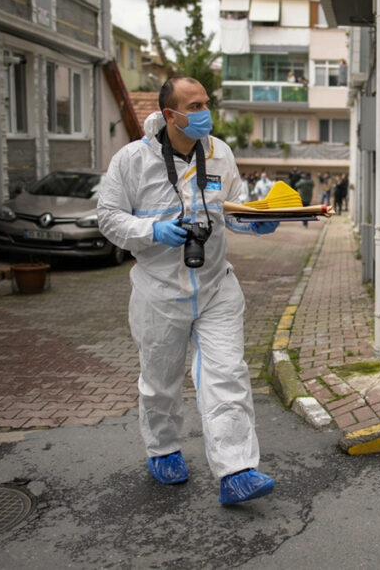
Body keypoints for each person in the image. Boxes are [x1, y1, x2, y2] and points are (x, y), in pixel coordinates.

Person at [97, 76, 279, 506]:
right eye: (193, 105)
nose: (204, 112)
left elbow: (231, 210)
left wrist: (256, 220)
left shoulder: (220, 154)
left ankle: (236, 470)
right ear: (169, 114)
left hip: (216, 285)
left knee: (227, 374)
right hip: (159, 292)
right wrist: (151, 229)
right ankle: (163, 449)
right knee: (161, 381)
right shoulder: (132, 161)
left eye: (205, 103)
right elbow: (107, 217)